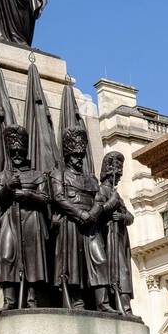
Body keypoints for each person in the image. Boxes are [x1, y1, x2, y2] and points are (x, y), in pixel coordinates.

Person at [51, 128, 112, 310]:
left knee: (99, 260)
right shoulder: (58, 174)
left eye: (80, 155)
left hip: (92, 225)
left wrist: (92, 214)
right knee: (73, 264)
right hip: (71, 223)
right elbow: (58, 197)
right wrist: (79, 214)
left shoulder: (91, 179)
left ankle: (103, 302)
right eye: (75, 156)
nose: (78, 159)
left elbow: (99, 199)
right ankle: (77, 301)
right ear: (68, 156)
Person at [0, 125, 51, 310]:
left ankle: (32, 299)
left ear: (25, 151)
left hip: (32, 219)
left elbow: (45, 198)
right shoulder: (3, 176)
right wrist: (8, 187)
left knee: (32, 258)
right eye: (13, 152)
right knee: (8, 255)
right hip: (10, 219)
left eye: (19, 151)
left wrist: (27, 195)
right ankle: (9, 300)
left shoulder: (37, 175)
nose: (16, 155)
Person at [98, 152, 135, 315]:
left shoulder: (117, 195)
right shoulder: (101, 191)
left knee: (123, 271)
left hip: (119, 239)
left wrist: (122, 216)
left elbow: (130, 216)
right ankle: (115, 303)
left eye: (119, 178)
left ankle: (126, 307)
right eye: (116, 177)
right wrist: (109, 205)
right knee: (112, 273)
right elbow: (97, 213)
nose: (117, 180)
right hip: (106, 237)